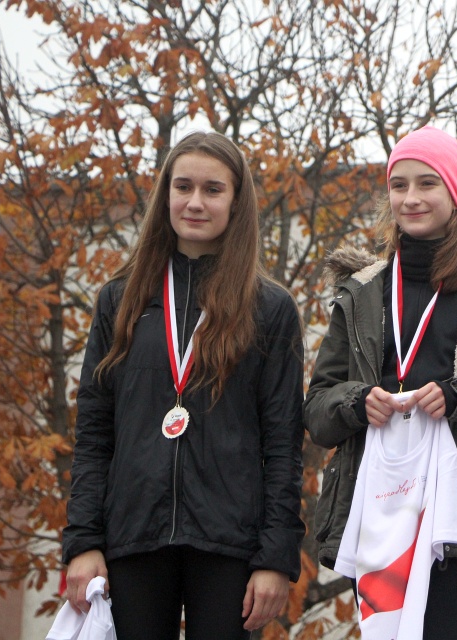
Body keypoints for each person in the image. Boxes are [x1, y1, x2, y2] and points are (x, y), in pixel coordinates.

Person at [304, 125, 457, 639]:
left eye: (427, 183)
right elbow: (316, 410)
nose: (411, 198)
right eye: (399, 185)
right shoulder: (361, 291)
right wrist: (356, 403)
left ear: (455, 193)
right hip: (378, 507)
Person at [62, 132, 306, 640]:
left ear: (236, 202)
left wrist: (275, 557)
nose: (195, 202)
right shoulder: (120, 300)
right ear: (166, 195)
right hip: (132, 539)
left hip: (230, 546)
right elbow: (93, 433)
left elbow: (284, 443)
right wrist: (83, 542)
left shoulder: (270, 308)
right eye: (183, 187)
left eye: (213, 190)